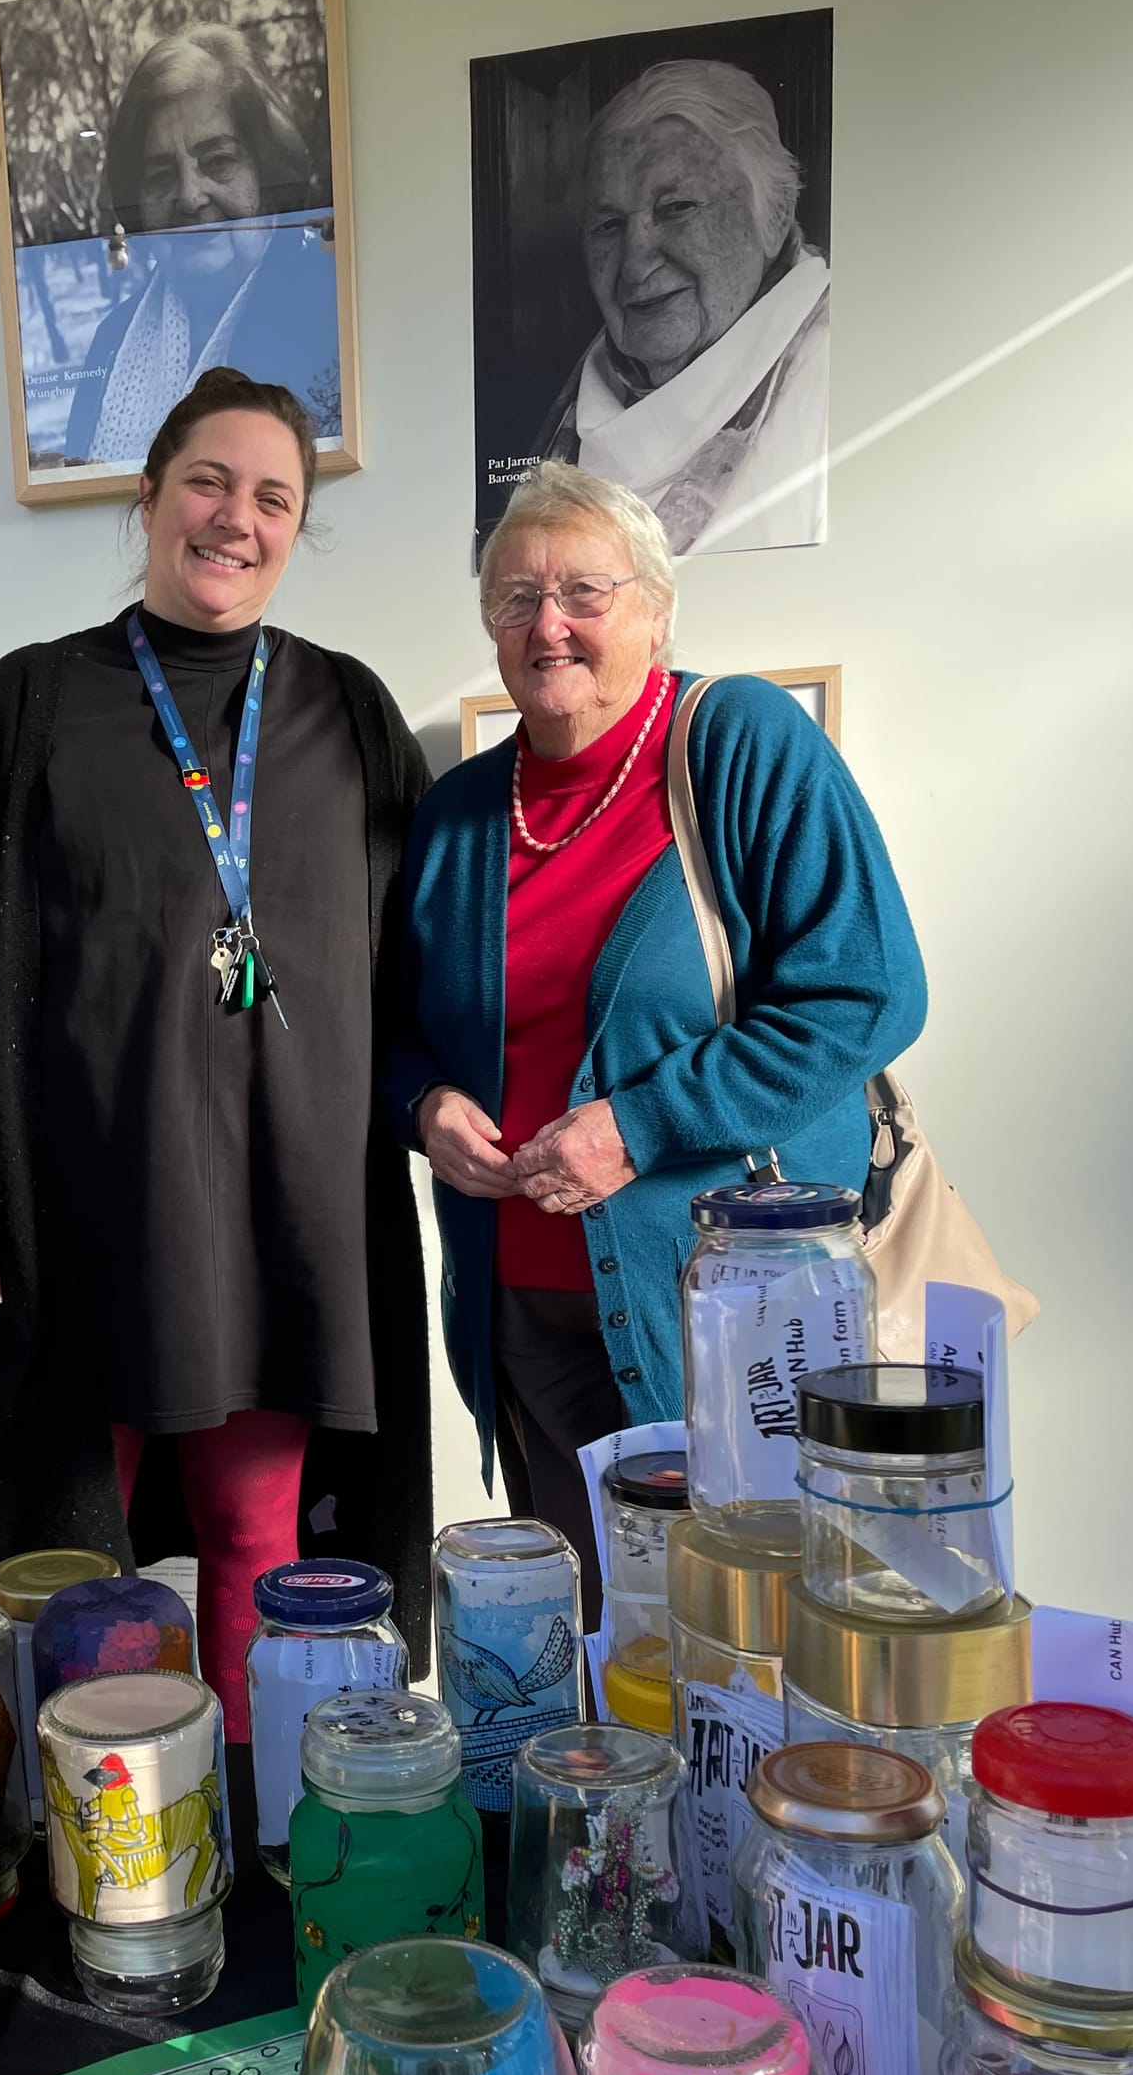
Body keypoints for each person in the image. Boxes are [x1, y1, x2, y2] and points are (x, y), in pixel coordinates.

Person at [0, 366, 434, 1732]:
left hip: (288, 1224)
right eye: (207, 481)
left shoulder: (354, 716)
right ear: (145, 497)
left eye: (273, 497)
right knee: (75, 1574)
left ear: (298, 528)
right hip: (84, 1223)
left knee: (265, 1540)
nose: (234, 518)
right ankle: (105, 1850)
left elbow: (429, 961)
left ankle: (256, 1839)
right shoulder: (23, 710)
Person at [385, 461, 925, 1594]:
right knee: (589, 1642)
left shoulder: (739, 742)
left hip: (733, 1306)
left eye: (584, 591)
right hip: (522, 1310)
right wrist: (424, 1108)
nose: (548, 626)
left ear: (656, 608)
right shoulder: (457, 814)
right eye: (514, 601)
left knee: (757, 1632)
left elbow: (865, 995)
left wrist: (636, 1124)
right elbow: (393, 1031)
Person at [535, 60, 830, 555]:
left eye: (677, 208)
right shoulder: (585, 386)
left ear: (775, 213)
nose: (634, 265)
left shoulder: (834, 377)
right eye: (608, 224)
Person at [64, 27, 339, 466]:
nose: (190, 196)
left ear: (266, 173)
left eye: (218, 162)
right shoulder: (110, 340)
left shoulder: (332, 307)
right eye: (160, 176)